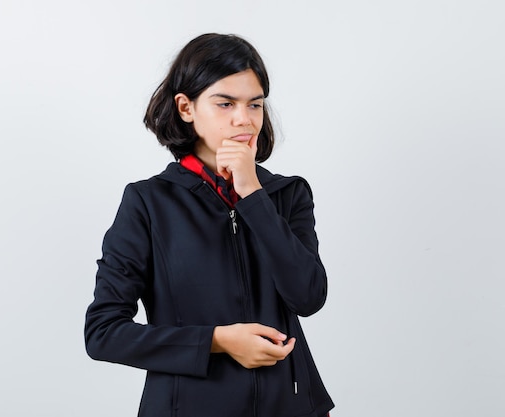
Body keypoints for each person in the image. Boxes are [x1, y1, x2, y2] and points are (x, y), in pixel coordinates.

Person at [85, 33, 334, 417]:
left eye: (255, 104)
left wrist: (252, 192)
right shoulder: (148, 203)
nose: (243, 118)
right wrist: (216, 341)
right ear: (186, 108)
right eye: (225, 103)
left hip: (291, 405)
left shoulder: (287, 195)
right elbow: (103, 333)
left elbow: (308, 297)